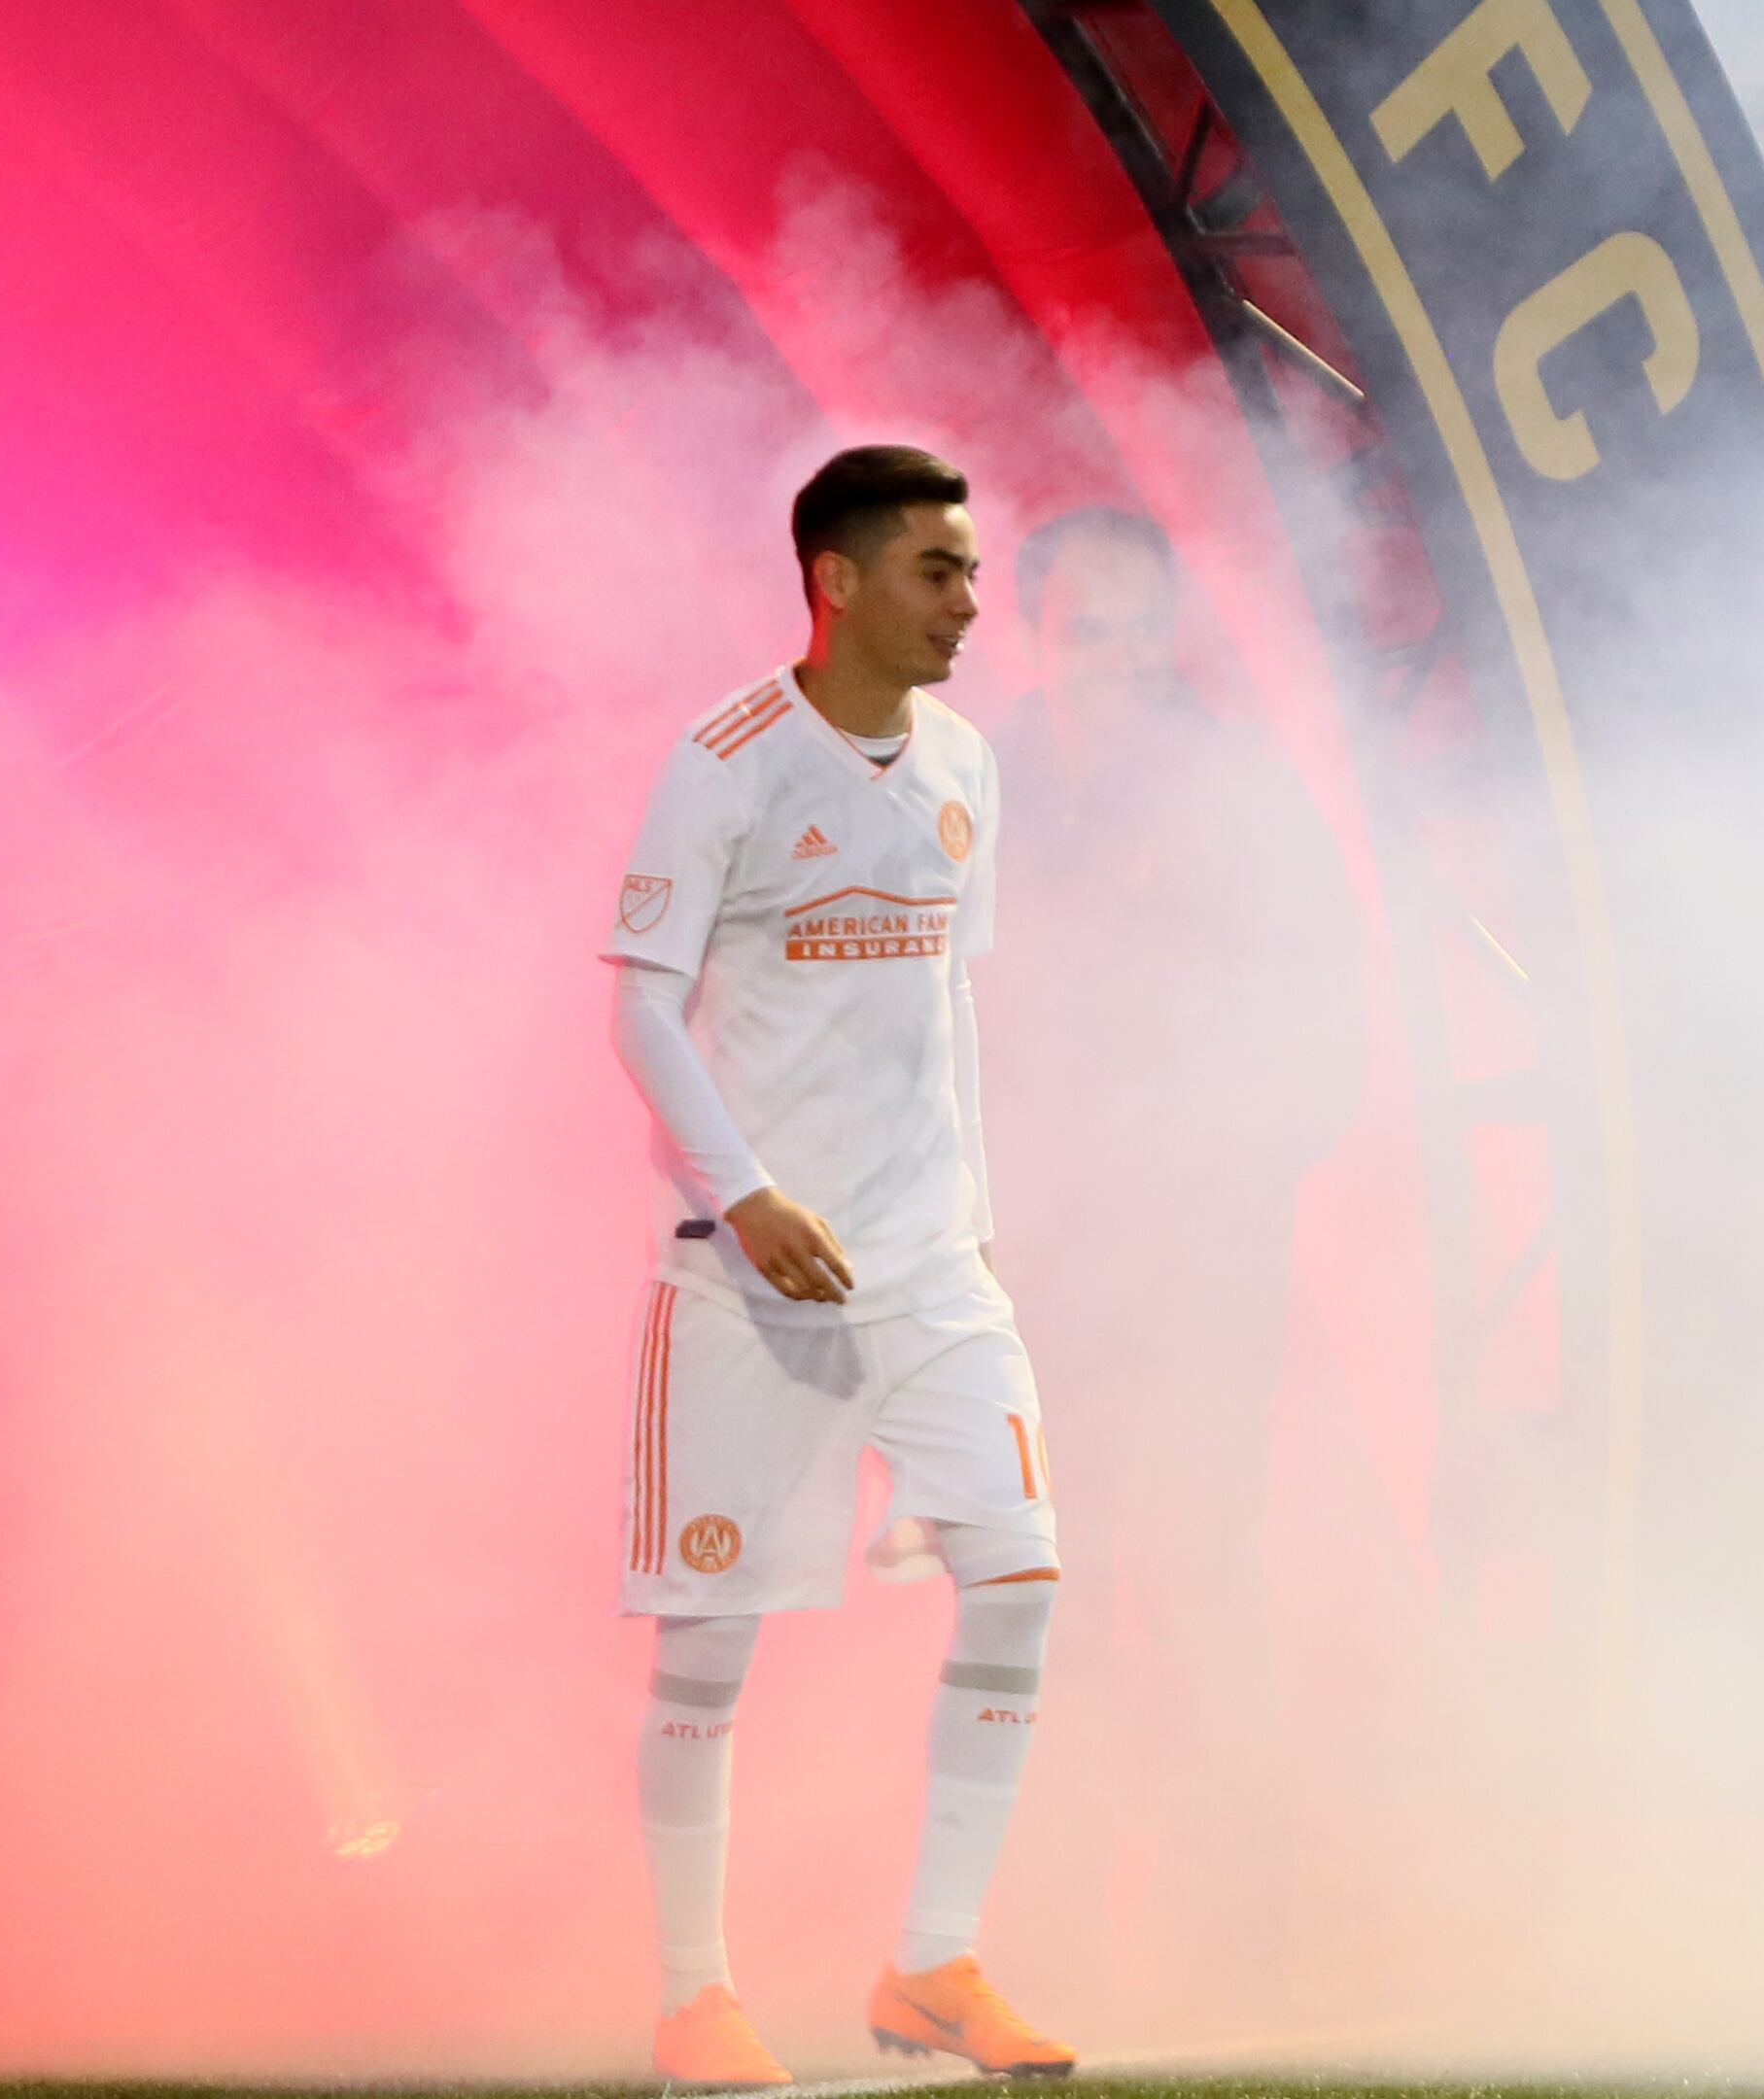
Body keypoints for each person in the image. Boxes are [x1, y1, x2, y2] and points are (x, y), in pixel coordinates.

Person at [603, 445, 1073, 2083]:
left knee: (1017, 1576)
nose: (967, 604)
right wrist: (743, 1195)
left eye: (971, 574)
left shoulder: (967, 765)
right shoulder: (725, 758)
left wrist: (982, 1223)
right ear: (842, 581)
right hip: (752, 1282)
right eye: (939, 572)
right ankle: (693, 1995)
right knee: (710, 1645)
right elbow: (642, 1009)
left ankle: (934, 1967)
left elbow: (947, 1010)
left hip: (937, 1273)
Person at [981, 506, 1363, 1997]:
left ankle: (1229, 1954)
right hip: (1023, 1277)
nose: (1122, 662)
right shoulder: (977, 786)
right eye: (1091, 632)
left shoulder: (1244, 793)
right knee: (1029, 1601)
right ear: (1035, 632)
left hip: (1195, 1273)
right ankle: (1036, 1942)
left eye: (1148, 631)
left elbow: (1327, 1031)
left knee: (1201, 1588)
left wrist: (1210, 1169)